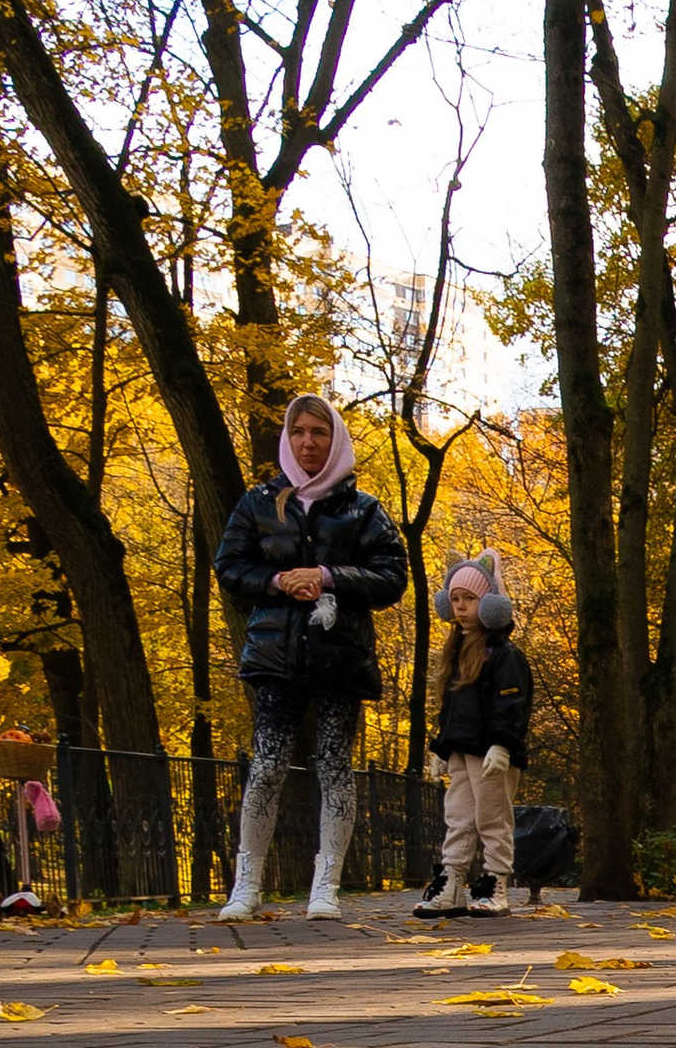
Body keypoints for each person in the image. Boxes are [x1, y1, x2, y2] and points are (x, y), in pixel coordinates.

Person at [212, 394, 408, 921]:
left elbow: (393, 577)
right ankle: (245, 885)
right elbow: (229, 567)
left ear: (335, 438)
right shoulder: (258, 503)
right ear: (287, 437)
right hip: (275, 655)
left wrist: (326, 576)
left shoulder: (363, 510)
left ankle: (327, 887)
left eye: (319, 432)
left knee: (334, 766)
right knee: (268, 765)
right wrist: (277, 581)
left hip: (340, 658)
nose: (308, 441)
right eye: (299, 431)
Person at [413, 552, 533, 919]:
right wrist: (440, 748)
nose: (462, 606)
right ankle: (450, 882)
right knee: (459, 818)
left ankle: (495, 883)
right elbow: (451, 710)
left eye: (470, 599)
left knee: (493, 818)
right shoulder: (456, 651)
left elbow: (511, 704)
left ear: (491, 604)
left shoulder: (504, 655)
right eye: (455, 599)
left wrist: (503, 744)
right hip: (461, 753)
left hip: (493, 754)